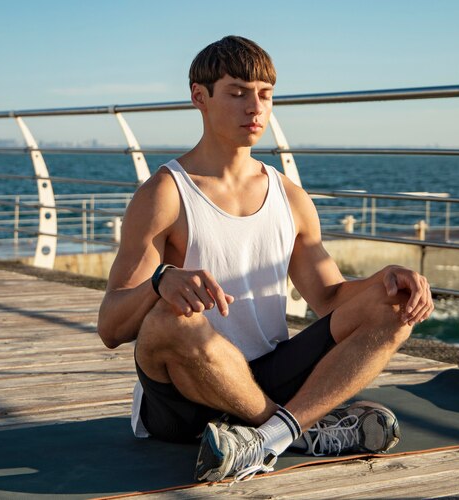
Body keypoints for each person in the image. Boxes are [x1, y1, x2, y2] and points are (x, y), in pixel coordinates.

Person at [97, 35, 434, 483]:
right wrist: (161, 279)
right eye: (237, 93)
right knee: (166, 320)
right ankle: (298, 432)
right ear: (200, 97)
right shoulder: (165, 194)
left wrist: (384, 280)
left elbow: (330, 298)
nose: (254, 108)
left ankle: (270, 435)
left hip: (266, 377)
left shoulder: (290, 197)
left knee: (394, 304)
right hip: (183, 401)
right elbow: (111, 327)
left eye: (265, 95)